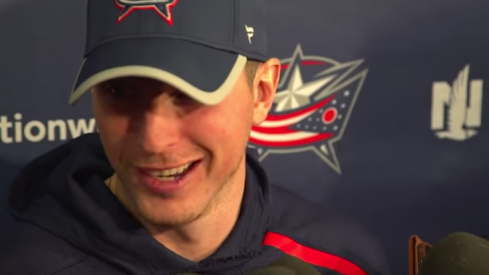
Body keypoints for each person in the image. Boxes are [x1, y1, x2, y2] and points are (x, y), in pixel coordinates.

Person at [0, 0, 391, 274]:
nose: (153, 139)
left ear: (262, 94)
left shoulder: (342, 260)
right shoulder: (26, 265)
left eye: (189, 93)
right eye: (120, 92)